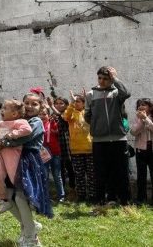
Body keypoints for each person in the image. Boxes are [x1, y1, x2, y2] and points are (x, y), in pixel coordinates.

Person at [0, 93, 53, 247]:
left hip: (28, 162)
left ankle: (32, 238)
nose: (29, 106)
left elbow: (24, 138)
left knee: (21, 197)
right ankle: (30, 227)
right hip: (12, 160)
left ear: (41, 107)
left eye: (34, 104)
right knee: (8, 195)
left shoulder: (36, 122)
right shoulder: (18, 121)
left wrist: (3, 142)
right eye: (27, 102)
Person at [85, 66, 131, 206]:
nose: (102, 81)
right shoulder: (90, 94)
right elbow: (88, 115)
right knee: (101, 172)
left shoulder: (117, 93)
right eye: (100, 78)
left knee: (121, 172)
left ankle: (125, 201)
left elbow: (127, 93)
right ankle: (101, 200)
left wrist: (115, 78)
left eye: (106, 78)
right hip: (99, 140)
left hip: (118, 138)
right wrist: (97, 126)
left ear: (111, 79)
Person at [0, 100, 32, 214]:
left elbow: (27, 130)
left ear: (14, 114)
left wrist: (12, 134)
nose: (2, 110)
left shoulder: (19, 121)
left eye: (5, 108)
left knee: (14, 177)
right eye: (2, 108)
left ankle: (30, 197)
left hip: (13, 154)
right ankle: (4, 200)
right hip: (0, 154)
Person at [63, 94, 95, 203]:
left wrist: (88, 98)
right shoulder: (72, 114)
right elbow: (66, 116)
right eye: (75, 101)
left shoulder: (87, 113)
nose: (76, 103)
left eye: (78, 101)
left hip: (89, 148)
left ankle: (92, 196)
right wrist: (71, 103)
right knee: (79, 175)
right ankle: (81, 196)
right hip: (76, 149)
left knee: (91, 174)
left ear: (83, 103)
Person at [39, 106, 65, 201]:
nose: (42, 116)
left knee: (57, 175)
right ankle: (46, 196)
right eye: (40, 114)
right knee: (44, 175)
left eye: (44, 114)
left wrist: (54, 125)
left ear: (48, 115)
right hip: (43, 153)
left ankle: (61, 196)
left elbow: (58, 132)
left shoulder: (52, 123)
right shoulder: (37, 125)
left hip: (54, 152)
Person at [130, 98, 153, 205]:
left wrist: (146, 119)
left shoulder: (151, 117)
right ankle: (141, 198)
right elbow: (133, 132)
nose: (142, 107)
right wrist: (141, 121)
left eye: (145, 105)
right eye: (140, 105)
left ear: (150, 107)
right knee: (141, 176)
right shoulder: (137, 118)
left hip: (151, 150)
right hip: (141, 150)